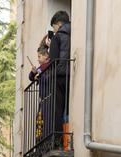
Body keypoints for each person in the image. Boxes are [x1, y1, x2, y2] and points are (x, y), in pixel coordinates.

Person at [48, 10, 71, 144]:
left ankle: (58, 140)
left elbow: (53, 59)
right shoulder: (75, 33)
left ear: (59, 23)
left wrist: (51, 46)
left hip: (59, 76)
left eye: (54, 27)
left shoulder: (58, 36)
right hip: (70, 75)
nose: (54, 30)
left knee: (57, 110)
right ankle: (67, 141)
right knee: (68, 109)